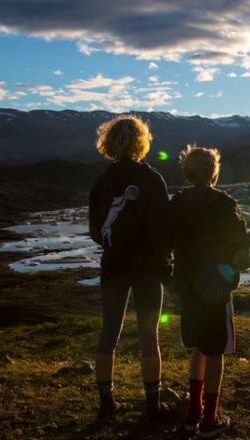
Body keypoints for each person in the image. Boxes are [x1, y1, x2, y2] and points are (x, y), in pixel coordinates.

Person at [88, 115, 171, 421]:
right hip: (148, 267)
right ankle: (153, 405)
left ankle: (106, 402)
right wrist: (164, 261)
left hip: (114, 265)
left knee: (109, 330)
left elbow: (96, 230)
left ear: (108, 143)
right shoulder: (152, 179)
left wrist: (114, 245)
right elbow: (165, 226)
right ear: (142, 142)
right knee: (150, 335)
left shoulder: (101, 183)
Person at [169, 145, 250, 438]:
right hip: (216, 288)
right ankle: (210, 419)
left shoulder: (177, 202)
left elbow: (167, 241)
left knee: (199, 347)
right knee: (216, 351)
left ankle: (193, 414)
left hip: (188, 287)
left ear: (187, 173)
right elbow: (241, 245)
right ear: (214, 172)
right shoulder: (224, 203)